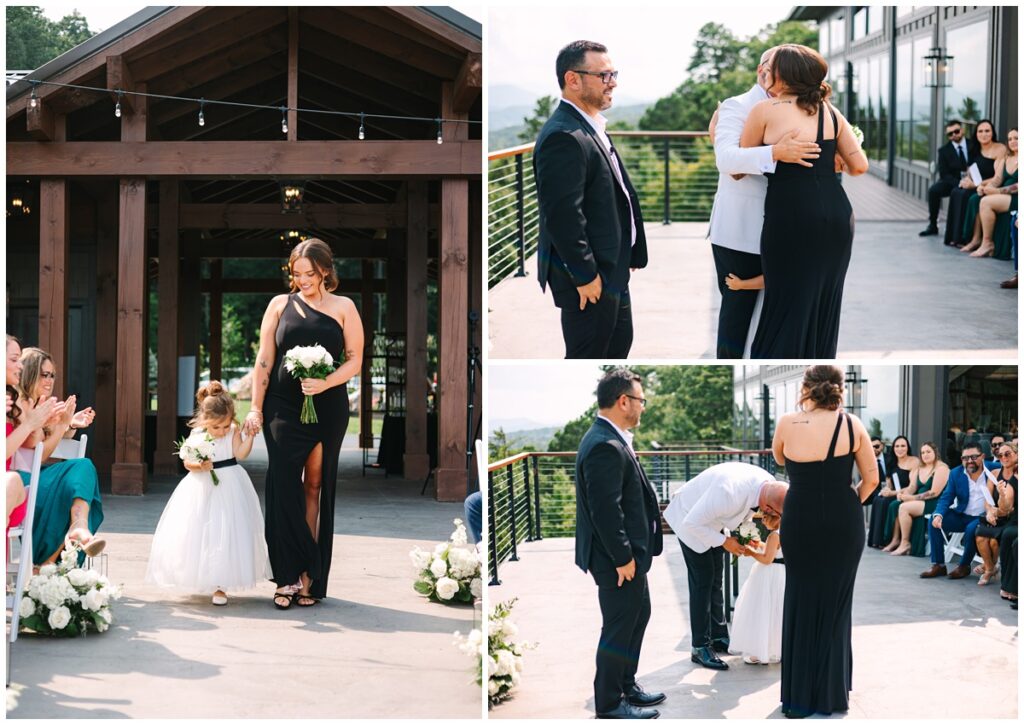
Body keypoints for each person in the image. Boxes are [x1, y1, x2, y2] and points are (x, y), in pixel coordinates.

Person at [243, 239, 364, 609]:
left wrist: (326, 381)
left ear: (325, 270)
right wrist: (254, 408)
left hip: (327, 405)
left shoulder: (344, 307)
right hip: (282, 405)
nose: (302, 280)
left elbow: (355, 360)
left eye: (309, 274)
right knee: (282, 483)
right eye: (296, 274)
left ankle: (310, 575)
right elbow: (265, 360)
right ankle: (287, 575)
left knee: (315, 485)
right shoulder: (279, 305)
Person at [740, 45, 868, 358]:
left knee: (784, 299)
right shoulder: (831, 112)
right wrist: (835, 157)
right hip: (837, 215)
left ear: (781, 75)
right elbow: (860, 166)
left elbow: (740, 166)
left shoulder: (764, 111)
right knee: (824, 299)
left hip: (791, 215)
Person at [772, 365, 878, 718]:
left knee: (800, 602)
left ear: (805, 387)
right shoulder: (852, 425)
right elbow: (872, 480)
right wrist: (845, 504)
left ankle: (798, 699)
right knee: (836, 607)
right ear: (838, 389)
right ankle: (831, 696)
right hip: (843, 522)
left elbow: (779, 457)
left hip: (799, 519)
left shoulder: (787, 422)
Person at [533, 40, 647, 359]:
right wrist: (585, 276)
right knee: (589, 354)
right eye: (604, 75)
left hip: (612, 268)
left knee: (617, 345)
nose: (613, 82)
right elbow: (563, 216)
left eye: (613, 74)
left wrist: (629, 252)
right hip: (590, 278)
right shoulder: (563, 136)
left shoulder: (590, 124)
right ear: (573, 79)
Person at [706, 45, 821, 358]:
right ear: (763, 71)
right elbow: (726, 160)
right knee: (738, 313)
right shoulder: (738, 106)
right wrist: (774, 153)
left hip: (788, 228)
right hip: (741, 232)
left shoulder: (805, 108)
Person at [574, 368, 664, 719]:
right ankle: (609, 703)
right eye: (641, 400)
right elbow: (605, 511)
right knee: (618, 627)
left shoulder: (612, 437)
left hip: (630, 557)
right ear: (623, 401)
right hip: (616, 560)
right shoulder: (604, 446)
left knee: (639, 615)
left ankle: (627, 684)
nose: (643, 407)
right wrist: (623, 557)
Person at [146, 382, 271, 605]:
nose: (222, 431)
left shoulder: (232, 431)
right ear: (205, 421)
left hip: (230, 484)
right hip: (202, 487)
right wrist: (199, 466)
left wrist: (250, 437)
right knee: (202, 530)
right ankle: (205, 576)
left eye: (225, 426)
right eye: (217, 428)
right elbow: (187, 462)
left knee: (227, 532)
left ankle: (221, 586)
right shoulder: (197, 433)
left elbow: (240, 453)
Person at [663, 461, 788, 671]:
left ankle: (719, 635)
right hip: (689, 518)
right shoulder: (729, 492)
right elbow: (692, 523)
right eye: (776, 514)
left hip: (713, 521)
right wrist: (725, 542)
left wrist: (745, 537)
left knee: (716, 580)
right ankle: (700, 647)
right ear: (768, 507)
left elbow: (748, 511)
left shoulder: (767, 484)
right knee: (703, 582)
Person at [11, 343, 104, 564]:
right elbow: (40, 453)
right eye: (44, 374)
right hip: (20, 480)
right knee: (82, 468)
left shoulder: (40, 404)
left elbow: (55, 436)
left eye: (52, 375)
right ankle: (51, 560)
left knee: (82, 469)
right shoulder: (20, 402)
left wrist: (70, 422)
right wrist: (62, 426)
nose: (50, 380)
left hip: (37, 477)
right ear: (30, 372)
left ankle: (78, 525)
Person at [920, 442, 1000, 579]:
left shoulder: (995, 469)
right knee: (934, 520)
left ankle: (964, 566)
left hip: (983, 517)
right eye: (965, 458)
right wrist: (939, 515)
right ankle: (939, 565)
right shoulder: (955, 473)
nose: (969, 461)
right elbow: (946, 498)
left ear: (983, 456)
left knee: (971, 529)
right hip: (962, 514)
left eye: (974, 457)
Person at [728, 517, 785, 665]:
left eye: (765, 517)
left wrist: (750, 552)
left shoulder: (774, 535)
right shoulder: (785, 530)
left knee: (762, 610)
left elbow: (767, 559)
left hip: (769, 574)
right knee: (775, 611)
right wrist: (759, 544)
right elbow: (775, 550)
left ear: (776, 517)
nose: (763, 521)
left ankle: (760, 651)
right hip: (781, 573)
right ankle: (776, 648)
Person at [884, 442, 950, 556]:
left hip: (935, 502)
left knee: (904, 508)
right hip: (921, 501)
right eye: (923, 452)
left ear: (935, 452)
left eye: (928, 452)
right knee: (896, 504)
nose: (925, 455)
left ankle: (905, 543)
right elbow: (912, 487)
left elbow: (934, 492)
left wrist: (911, 498)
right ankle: (895, 539)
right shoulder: (920, 468)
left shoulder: (941, 468)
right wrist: (902, 494)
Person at [960, 128, 1017, 258]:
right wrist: (984, 187)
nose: (1012, 141)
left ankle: (987, 243)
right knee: (980, 197)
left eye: (1016, 138)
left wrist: (997, 191)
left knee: (986, 202)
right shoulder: (1007, 158)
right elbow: (997, 179)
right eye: (1010, 139)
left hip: (1018, 196)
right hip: (1006, 195)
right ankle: (976, 239)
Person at [950, 120, 1007, 250]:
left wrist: (976, 184)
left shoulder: (1000, 149)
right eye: (980, 131)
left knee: (971, 198)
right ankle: (956, 237)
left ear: (993, 133)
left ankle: (973, 239)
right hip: (976, 184)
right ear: (976, 134)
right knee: (957, 192)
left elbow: (998, 177)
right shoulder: (974, 149)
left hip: (992, 186)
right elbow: (970, 170)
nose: (984, 134)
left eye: (987, 131)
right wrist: (967, 181)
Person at [921, 119, 974, 237]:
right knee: (933, 191)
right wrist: (959, 183)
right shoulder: (943, 151)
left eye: (956, 131)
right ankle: (933, 224)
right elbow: (944, 174)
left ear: (962, 130)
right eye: (950, 133)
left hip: (973, 180)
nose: (954, 135)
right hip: (952, 181)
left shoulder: (973, 145)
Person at [973, 442, 1016, 586]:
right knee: (980, 536)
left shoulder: (1018, 475)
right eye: (1000, 455)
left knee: (993, 541)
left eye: (1007, 454)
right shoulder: (995, 473)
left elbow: (1011, 507)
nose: (1003, 457)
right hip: (995, 516)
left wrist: (997, 511)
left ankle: (989, 567)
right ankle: (990, 568)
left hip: (1010, 518)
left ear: (1017, 454)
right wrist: (990, 511)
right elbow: (987, 499)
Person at [868, 435, 919, 548]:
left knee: (886, 502)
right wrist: (886, 490)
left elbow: (912, 487)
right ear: (893, 448)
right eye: (897, 446)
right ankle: (876, 539)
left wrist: (893, 493)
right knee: (878, 499)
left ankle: (887, 539)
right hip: (895, 493)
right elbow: (889, 484)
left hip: (907, 494)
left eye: (903, 446)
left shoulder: (914, 461)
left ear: (908, 447)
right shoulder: (891, 462)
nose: (900, 449)